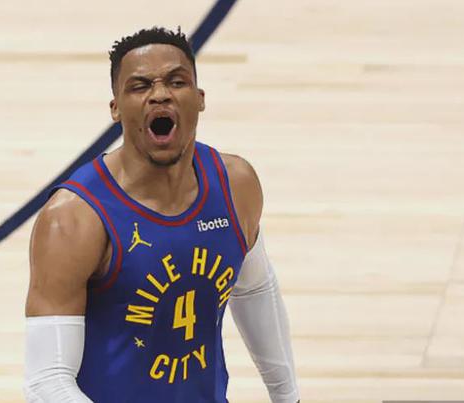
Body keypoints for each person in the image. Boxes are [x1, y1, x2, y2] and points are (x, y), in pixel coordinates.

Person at [24, 26, 300, 403]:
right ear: (115, 108)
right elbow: (47, 381)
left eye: (176, 81)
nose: (160, 94)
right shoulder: (73, 219)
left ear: (199, 99)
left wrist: (287, 396)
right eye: (140, 86)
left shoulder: (236, 185)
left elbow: (254, 288)